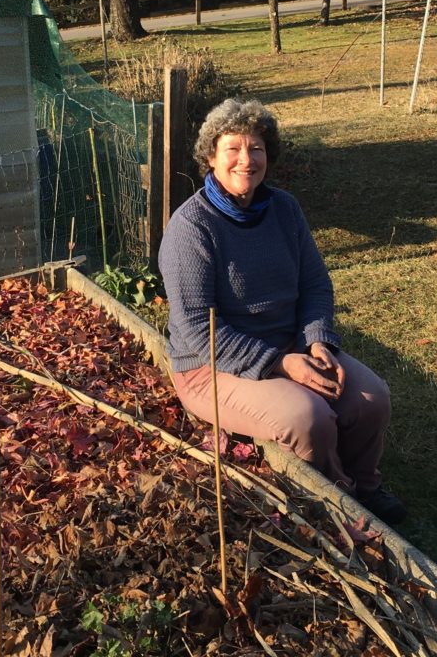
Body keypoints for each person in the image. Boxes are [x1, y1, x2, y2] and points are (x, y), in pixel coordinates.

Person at [159, 98, 406, 525]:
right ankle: (336, 507)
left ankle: (366, 485)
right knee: (308, 420)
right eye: (233, 148)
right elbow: (198, 328)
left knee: (371, 398)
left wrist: (317, 339)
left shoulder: (284, 209)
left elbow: (314, 284)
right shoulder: (191, 228)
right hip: (210, 367)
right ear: (210, 156)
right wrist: (279, 363)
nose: (246, 160)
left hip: (291, 344)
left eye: (256, 148)